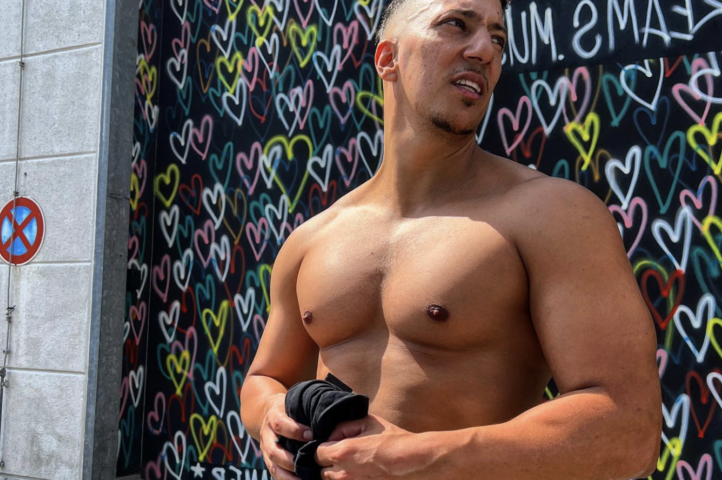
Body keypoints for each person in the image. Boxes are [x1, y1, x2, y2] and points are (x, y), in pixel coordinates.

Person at [240, 0, 663, 478]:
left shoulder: (553, 215)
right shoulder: (313, 238)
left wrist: (415, 457)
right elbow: (264, 378)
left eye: (498, 39)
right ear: (388, 58)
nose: (485, 50)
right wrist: (272, 414)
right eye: (457, 25)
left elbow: (630, 429)